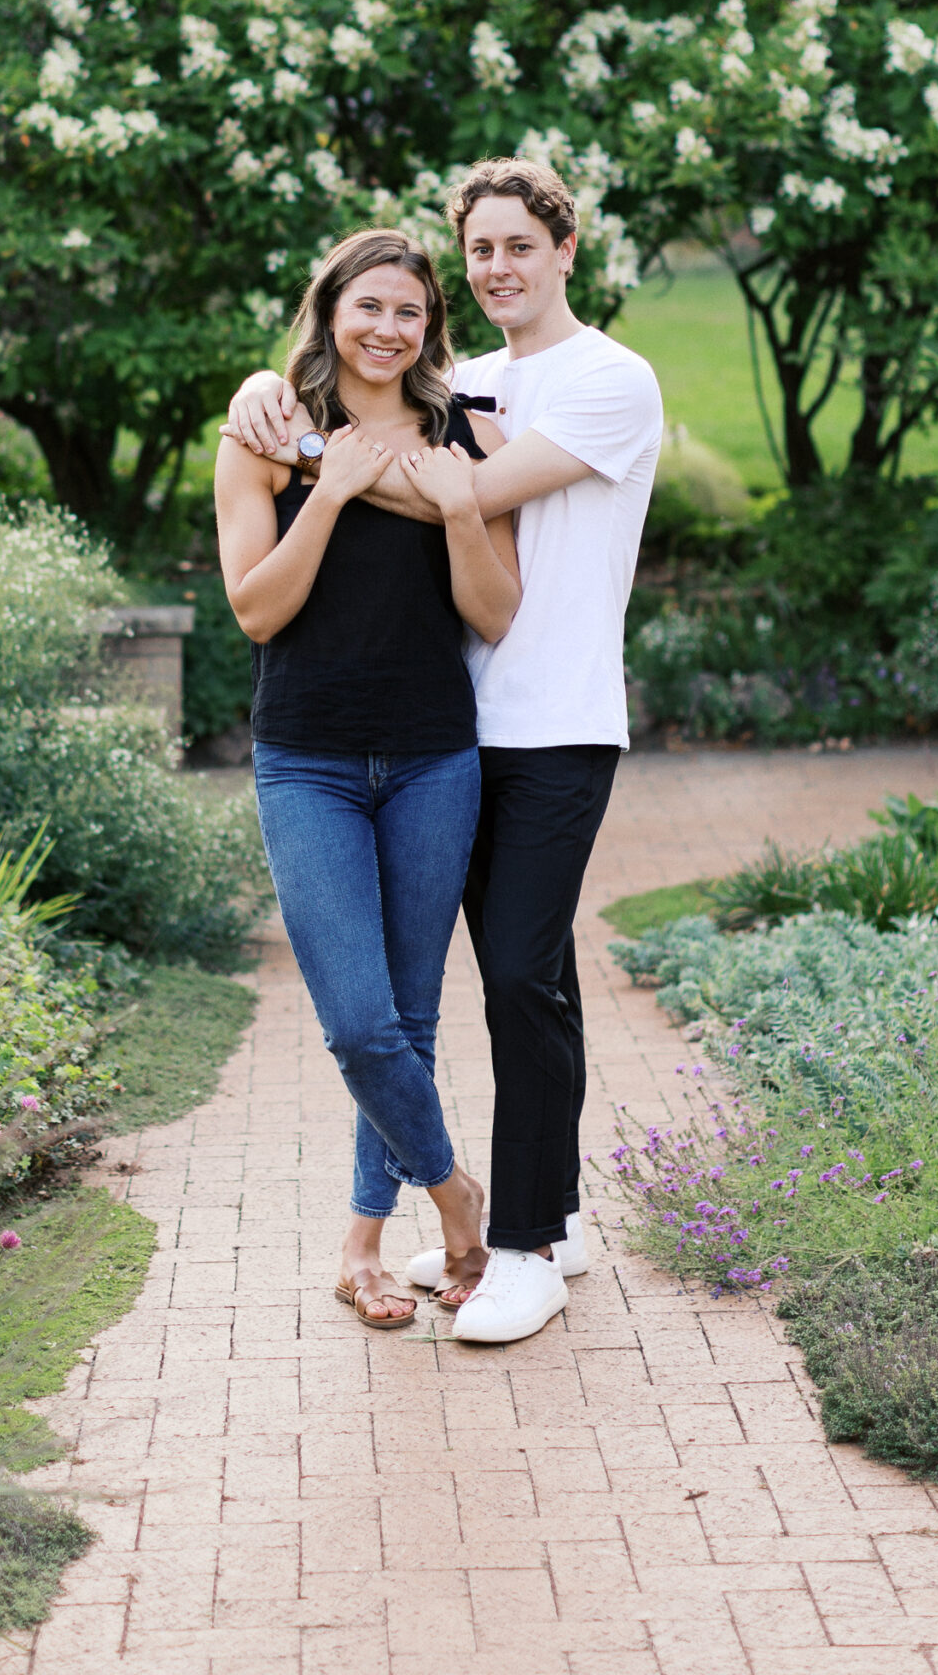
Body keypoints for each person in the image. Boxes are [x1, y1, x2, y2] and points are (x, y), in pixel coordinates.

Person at [226, 158, 664, 1343]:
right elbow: (355, 390)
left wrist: (318, 456)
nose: (499, 266)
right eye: (480, 250)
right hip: (440, 731)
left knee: (514, 978)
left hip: (550, 721)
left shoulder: (608, 380)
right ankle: (537, 1216)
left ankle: (514, 1244)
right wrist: (271, 397)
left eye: (521, 244)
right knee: (493, 994)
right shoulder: (457, 384)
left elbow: (463, 501)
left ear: (565, 249)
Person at [214, 227, 521, 1329]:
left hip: (436, 753)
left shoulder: (465, 437)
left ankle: (361, 1245)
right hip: (307, 758)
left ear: (431, 325)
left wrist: (453, 506)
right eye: (368, 307)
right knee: (357, 1020)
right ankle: (457, 1200)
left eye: (409, 312)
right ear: (329, 309)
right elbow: (256, 609)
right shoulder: (265, 432)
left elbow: (493, 610)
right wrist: (332, 490)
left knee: (409, 1015)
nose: (388, 330)